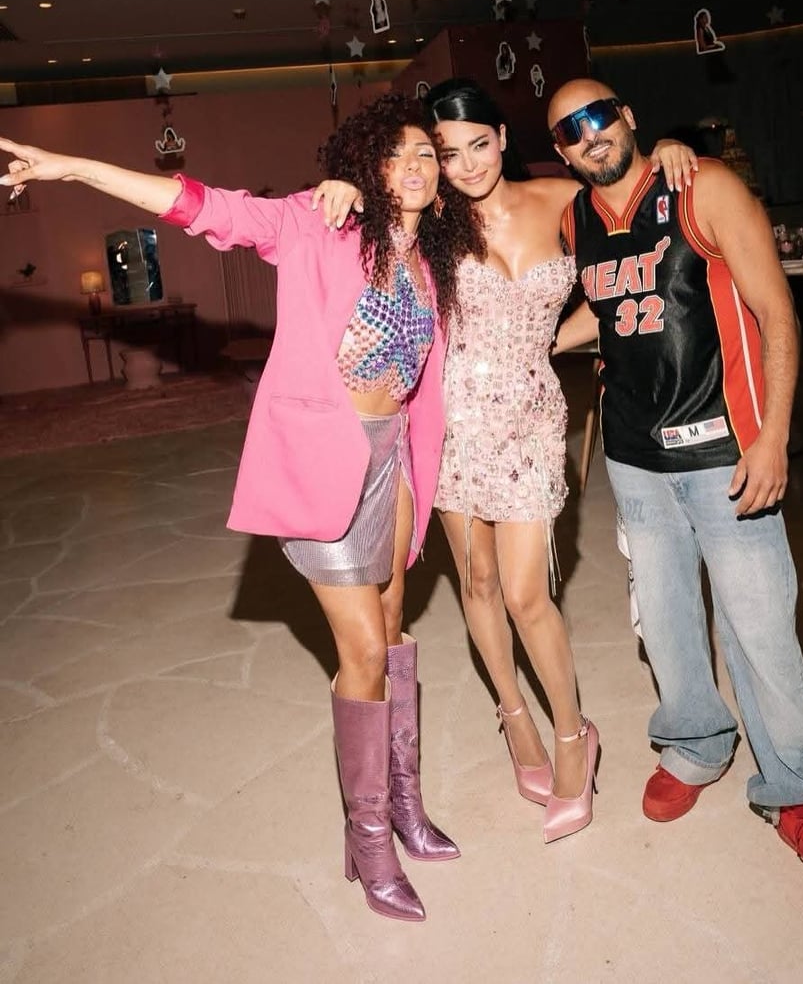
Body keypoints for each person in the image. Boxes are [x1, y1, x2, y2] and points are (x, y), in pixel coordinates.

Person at [0, 93, 484, 924]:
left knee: (395, 628)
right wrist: (71, 167)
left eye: (425, 156)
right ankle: (369, 837)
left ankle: (405, 803)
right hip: (324, 459)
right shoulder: (317, 224)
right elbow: (199, 206)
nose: (413, 166)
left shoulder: (427, 257)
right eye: (395, 153)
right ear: (367, 166)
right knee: (364, 648)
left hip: (394, 459)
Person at [313, 78, 697, 844]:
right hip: (452, 423)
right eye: (447, 153)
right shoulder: (433, 222)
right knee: (478, 582)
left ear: (503, 138)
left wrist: (667, 151)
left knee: (527, 593)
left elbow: (636, 252)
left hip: (529, 422)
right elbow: (364, 226)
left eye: (478, 145)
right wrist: (344, 187)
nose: (465, 165)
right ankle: (515, 718)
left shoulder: (562, 200)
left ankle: (572, 735)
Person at [548, 78, 803, 910]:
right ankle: (695, 741)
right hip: (635, 461)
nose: (588, 136)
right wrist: (531, 341)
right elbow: (607, 303)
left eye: (597, 117)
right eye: (568, 131)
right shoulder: (575, 219)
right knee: (664, 619)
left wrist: (773, 434)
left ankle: (800, 792)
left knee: (760, 625)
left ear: (627, 115)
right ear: (560, 151)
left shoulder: (703, 186)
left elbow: (776, 309)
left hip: (726, 452)